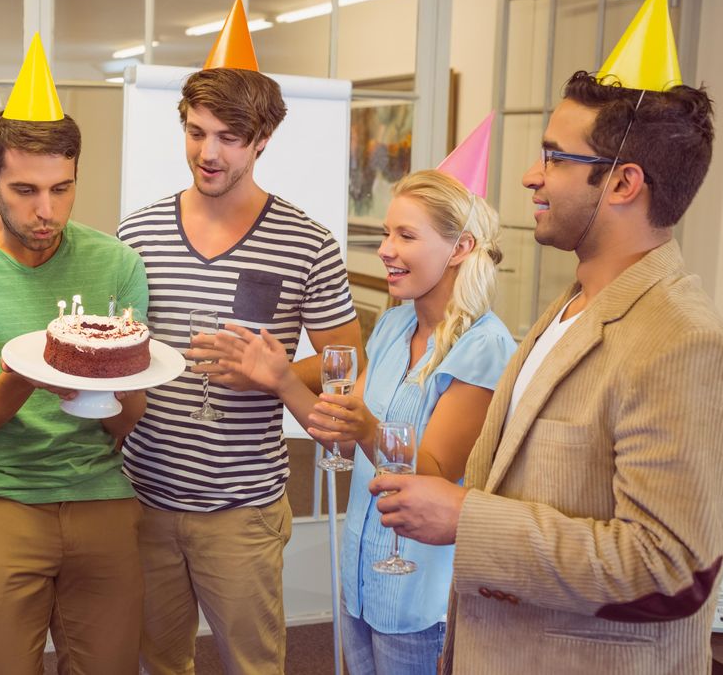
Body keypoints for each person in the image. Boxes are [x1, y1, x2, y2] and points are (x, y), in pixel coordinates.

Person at [371, 69, 723, 672]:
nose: (531, 175)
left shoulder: (685, 342)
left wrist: (466, 519)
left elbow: (670, 570)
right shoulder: (571, 305)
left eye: (554, 156)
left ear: (624, 183)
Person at [0, 35, 148, 674]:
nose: (47, 212)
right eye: (24, 190)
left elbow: (132, 415)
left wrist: (109, 386)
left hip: (101, 491)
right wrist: (33, 372)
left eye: (62, 189)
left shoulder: (115, 262)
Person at [115, 55, 362, 673]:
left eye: (229, 137)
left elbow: (346, 363)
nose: (209, 153)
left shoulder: (307, 242)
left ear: (263, 140)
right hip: (143, 498)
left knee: (253, 666)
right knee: (156, 664)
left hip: (242, 508)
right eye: (197, 132)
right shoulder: (138, 234)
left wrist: (272, 374)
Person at [216, 169, 516, 674]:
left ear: (460, 247)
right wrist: (280, 379)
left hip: (420, 596)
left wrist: (366, 427)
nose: (385, 249)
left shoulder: (484, 347)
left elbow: (437, 472)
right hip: (361, 574)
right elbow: (336, 428)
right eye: (385, 233)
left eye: (406, 235)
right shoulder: (395, 324)